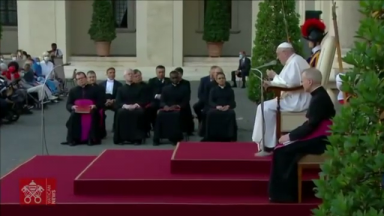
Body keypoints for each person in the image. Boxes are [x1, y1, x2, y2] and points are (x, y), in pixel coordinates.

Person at [269, 68, 335, 203]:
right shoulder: (319, 95)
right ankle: (283, 192)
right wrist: (291, 135)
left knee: (282, 150)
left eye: (303, 80)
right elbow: (311, 123)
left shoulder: (319, 98)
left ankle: (284, 195)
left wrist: (290, 137)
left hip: (321, 139)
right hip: (319, 134)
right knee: (282, 147)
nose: (302, 83)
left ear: (310, 81)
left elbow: (311, 125)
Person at [252, 42, 311, 156]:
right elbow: (286, 81)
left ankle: (268, 146)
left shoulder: (295, 62)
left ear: (285, 52)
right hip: (293, 97)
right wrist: (271, 83)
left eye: (278, 54)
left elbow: (289, 84)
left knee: (264, 108)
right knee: (266, 107)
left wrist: (274, 78)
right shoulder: (294, 61)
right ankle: (268, 142)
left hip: (297, 100)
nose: (277, 58)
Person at [62, 72, 104, 146]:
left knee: (94, 115)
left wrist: (95, 105)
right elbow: (68, 104)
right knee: (73, 116)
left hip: (91, 110)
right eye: (78, 79)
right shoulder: (73, 91)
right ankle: (73, 139)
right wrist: (72, 107)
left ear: (85, 78)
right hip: (78, 111)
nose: (80, 80)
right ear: (76, 80)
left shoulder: (95, 90)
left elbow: (101, 102)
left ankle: (91, 139)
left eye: (82, 78)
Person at [153, 71, 190, 145]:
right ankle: (157, 138)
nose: (175, 80)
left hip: (179, 109)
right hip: (167, 108)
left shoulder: (184, 88)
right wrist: (165, 106)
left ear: (179, 78)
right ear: (170, 78)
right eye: (173, 78)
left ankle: (175, 138)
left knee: (175, 115)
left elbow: (186, 101)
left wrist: (177, 106)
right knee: (160, 115)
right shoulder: (165, 88)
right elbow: (162, 101)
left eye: (176, 78)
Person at [114, 69, 146, 145]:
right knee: (120, 113)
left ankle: (137, 138)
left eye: (132, 74)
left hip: (136, 107)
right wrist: (126, 106)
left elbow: (143, 99)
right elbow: (118, 101)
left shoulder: (140, 88)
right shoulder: (120, 89)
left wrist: (135, 105)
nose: (130, 75)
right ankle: (122, 138)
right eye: (128, 74)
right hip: (125, 108)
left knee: (139, 112)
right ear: (124, 77)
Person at [203, 72, 237, 141]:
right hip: (216, 108)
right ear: (216, 80)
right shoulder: (213, 90)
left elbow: (233, 102)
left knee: (231, 113)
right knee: (210, 114)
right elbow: (210, 101)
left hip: (227, 108)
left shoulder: (230, 90)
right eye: (219, 78)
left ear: (225, 79)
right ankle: (211, 135)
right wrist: (216, 106)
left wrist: (228, 106)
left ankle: (230, 135)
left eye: (223, 78)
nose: (221, 80)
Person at [99, 67, 122, 132]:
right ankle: (101, 129)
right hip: (104, 102)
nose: (112, 74)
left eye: (113, 72)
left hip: (114, 102)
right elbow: (100, 95)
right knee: (100, 110)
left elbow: (119, 95)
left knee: (119, 110)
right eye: (110, 72)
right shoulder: (101, 84)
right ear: (107, 74)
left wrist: (113, 100)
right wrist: (105, 101)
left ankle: (116, 127)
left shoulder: (119, 84)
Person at [174, 67, 194, 135]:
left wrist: (182, 104)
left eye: (179, 74)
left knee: (186, 108)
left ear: (181, 74)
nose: (177, 76)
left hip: (183, 102)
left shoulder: (186, 83)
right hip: (174, 102)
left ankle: (188, 130)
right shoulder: (172, 82)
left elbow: (188, 94)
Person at [133, 69, 152, 136]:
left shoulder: (146, 86)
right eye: (136, 76)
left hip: (143, 105)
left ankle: (144, 131)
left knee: (145, 111)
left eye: (139, 76)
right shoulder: (131, 86)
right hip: (132, 105)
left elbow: (148, 98)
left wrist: (138, 104)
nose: (138, 77)